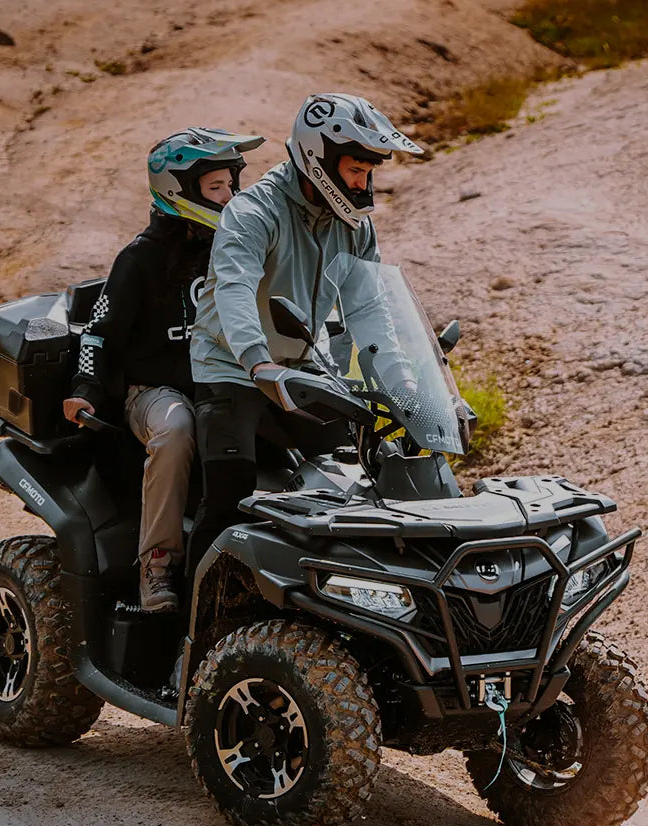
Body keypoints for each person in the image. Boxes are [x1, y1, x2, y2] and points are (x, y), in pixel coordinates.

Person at [185, 93, 424, 578]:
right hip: (233, 368)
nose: (363, 185)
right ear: (318, 158)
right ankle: (185, 625)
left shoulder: (354, 225)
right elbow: (234, 289)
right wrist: (256, 361)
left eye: (368, 174)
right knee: (230, 496)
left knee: (354, 480)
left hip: (300, 368)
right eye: (355, 172)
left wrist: (404, 382)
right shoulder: (254, 211)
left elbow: (369, 307)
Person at [63, 127, 265, 612]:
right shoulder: (141, 258)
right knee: (177, 428)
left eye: (231, 185)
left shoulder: (237, 246)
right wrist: (84, 386)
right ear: (179, 191)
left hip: (224, 384)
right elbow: (98, 330)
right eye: (216, 188)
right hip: (154, 392)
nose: (230, 196)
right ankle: (158, 563)